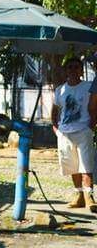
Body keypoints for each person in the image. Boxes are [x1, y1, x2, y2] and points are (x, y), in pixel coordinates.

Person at [51, 56, 97, 212]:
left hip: (83, 130)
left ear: (81, 70)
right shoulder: (60, 90)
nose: (73, 70)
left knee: (86, 165)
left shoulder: (89, 86)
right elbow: (55, 111)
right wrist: (56, 130)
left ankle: (89, 196)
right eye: (69, 67)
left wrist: (91, 126)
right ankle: (78, 196)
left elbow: (94, 106)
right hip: (65, 133)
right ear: (65, 71)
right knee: (72, 166)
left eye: (76, 67)